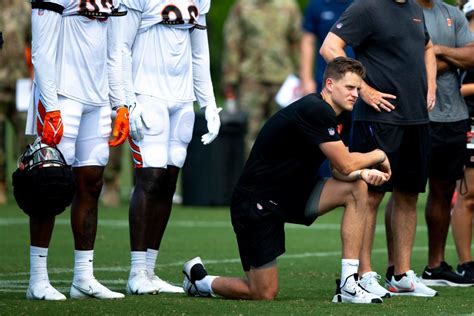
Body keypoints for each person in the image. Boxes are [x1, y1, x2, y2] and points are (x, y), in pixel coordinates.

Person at [182, 57, 392, 303]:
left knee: (356, 188)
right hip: (257, 202)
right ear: (329, 84)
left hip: (294, 194)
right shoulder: (315, 108)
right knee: (263, 293)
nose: (355, 94)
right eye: (349, 87)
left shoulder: (340, 114)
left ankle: (348, 283)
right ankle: (201, 281)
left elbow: (340, 170)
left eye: (358, 88)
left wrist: (363, 174)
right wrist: (377, 155)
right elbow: (345, 163)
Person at [320, 0, 438, 297]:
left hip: (416, 118)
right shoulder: (366, 7)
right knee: (369, 197)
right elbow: (330, 47)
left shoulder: (415, 10)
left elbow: (427, 48)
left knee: (408, 194)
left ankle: (402, 275)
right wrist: (364, 89)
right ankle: (363, 274)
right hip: (378, 118)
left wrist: (431, 85)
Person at [24, 0, 129, 300]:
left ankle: (83, 277)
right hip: (63, 95)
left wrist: (119, 104)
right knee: (49, 183)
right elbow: (42, 50)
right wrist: (51, 106)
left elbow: (115, 52)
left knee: (92, 183)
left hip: (96, 99)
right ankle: (37, 279)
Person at [119, 0, 222, 294]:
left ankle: (149, 271)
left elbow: (200, 54)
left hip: (181, 97)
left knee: (167, 183)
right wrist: (128, 100)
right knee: (149, 179)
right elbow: (121, 47)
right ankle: (137, 270)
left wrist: (209, 104)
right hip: (147, 91)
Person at [413, 0, 474, 287]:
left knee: (443, 189)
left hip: (452, 115)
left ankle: (435, 266)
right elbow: (412, 65)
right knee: (404, 191)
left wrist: (435, 50)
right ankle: (395, 268)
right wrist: (448, 57)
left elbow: (473, 56)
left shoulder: (451, 13)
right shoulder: (400, 11)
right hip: (413, 114)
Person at [222, 0, 301, 156]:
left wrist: (302, 77)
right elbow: (232, 42)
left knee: (284, 132)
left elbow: (297, 42)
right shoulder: (242, 6)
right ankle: (251, 177)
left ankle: (279, 177)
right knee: (249, 133)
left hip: (282, 80)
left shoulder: (288, 6)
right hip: (251, 80)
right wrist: (230, 79)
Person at [0, 0, 33, 205]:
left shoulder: (25, 8)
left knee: (28, 138)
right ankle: (0, 187)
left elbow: (33, 43)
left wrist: (33, 75)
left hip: (22, 83)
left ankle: (29, 183)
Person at [451, 0, 474, 283]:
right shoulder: (461, 45)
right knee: (468, 196)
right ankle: (466, 263)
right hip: (469, 120)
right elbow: (456, 87)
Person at [299, 0, 353, 95]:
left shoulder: (363, 4)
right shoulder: (317, 4)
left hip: (358, 77)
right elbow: (308, 42)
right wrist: (306, 79)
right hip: (325, 78)